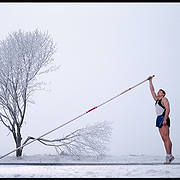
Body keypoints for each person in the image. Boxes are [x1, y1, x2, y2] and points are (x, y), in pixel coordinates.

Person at [148, 76, 174, 164]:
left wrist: (165, 119)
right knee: (163, 138)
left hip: (163, 117)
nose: (158, 92)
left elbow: (168, 109)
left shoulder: (164, 99)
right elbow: (152, 91)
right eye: (158, 91)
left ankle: (169, 155)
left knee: (166, 138)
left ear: (163, 94)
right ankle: (169, 155)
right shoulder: (156, 99)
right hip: (158, 118)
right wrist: (150, 81)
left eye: (160, 91)